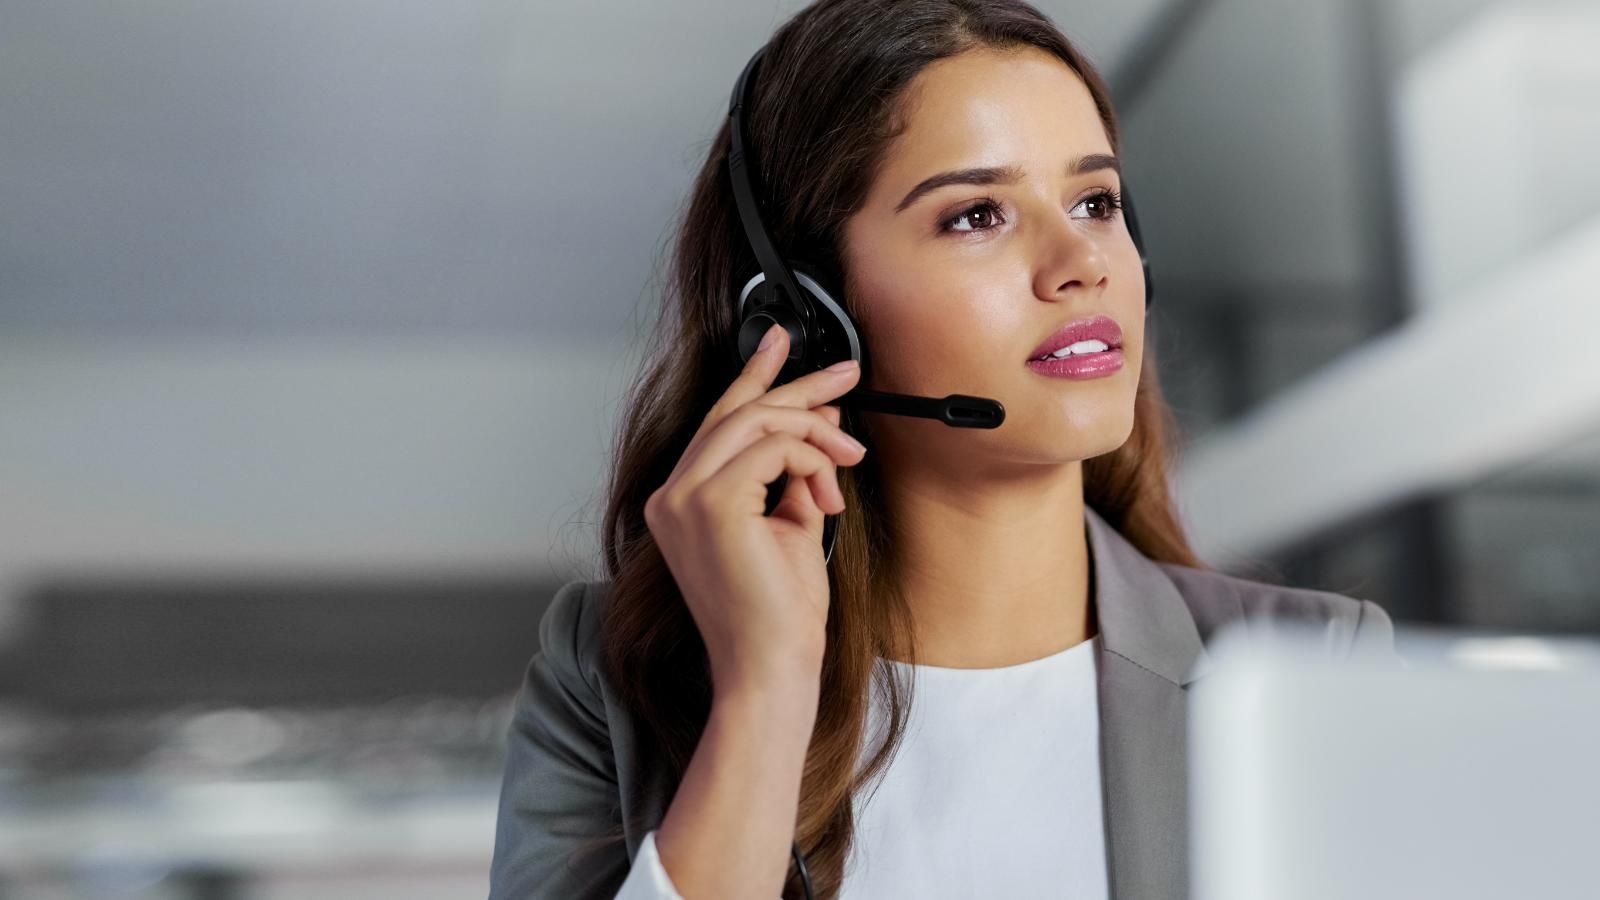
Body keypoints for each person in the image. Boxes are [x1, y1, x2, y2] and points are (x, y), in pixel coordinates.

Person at [489, 1, 1398, 898]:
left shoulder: (1314, 671)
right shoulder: (613, 681)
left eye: (1095, 201)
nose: (1080, 261)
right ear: (809, 317)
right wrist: (763, 696)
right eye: (976, 216)